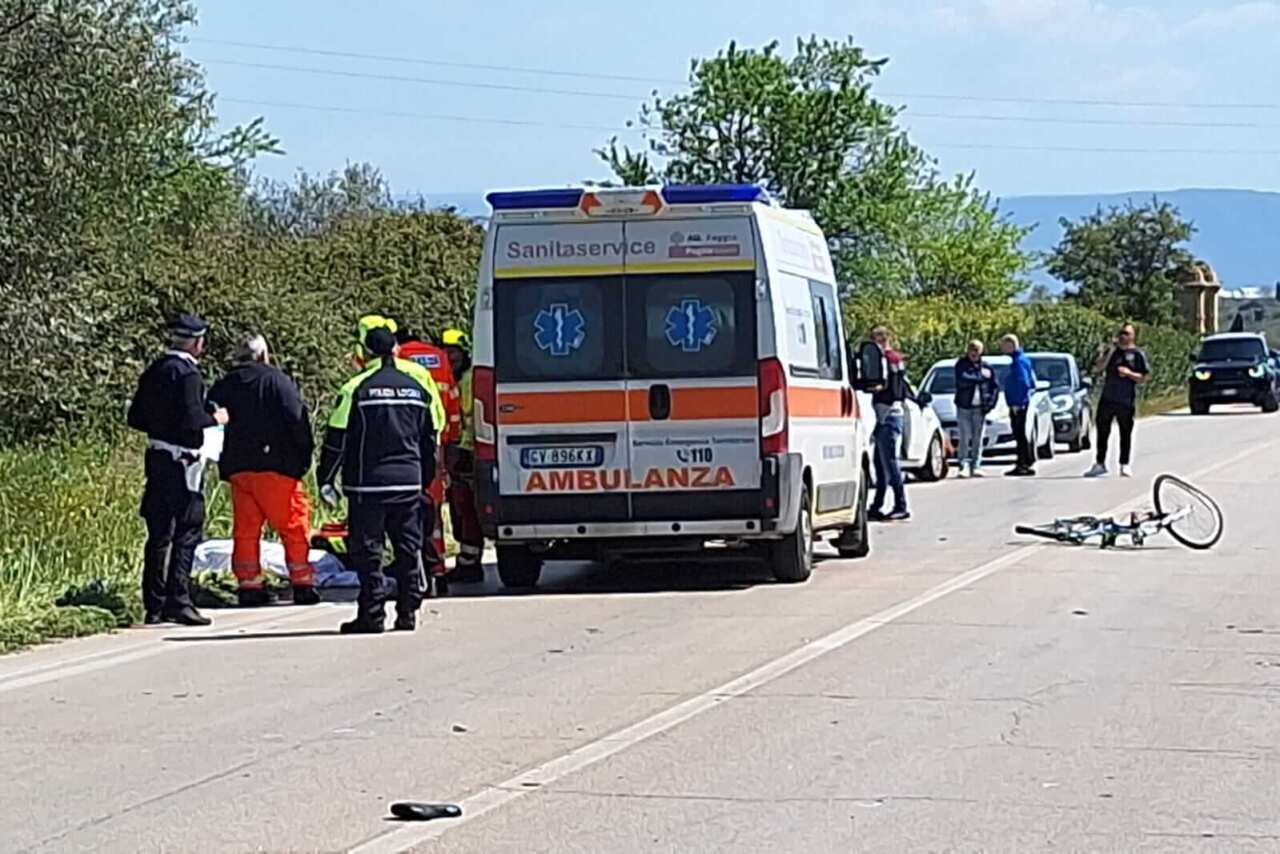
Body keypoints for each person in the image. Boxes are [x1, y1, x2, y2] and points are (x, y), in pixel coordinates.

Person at [317, 317, 441, 634]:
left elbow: (337, 440)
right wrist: (424, 478)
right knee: (407, 547)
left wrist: (325, 480)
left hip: (367, 485)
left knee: (369, 551)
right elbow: (429, 439)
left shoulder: (355, 389)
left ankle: (372, 615)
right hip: (408, 482)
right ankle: (408, 612)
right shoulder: (417, 389)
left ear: (366, 351)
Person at [126, 313, 227, 627]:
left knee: (158, 532)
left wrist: (161, 425)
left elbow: (135, 418)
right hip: (183, 460)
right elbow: (191, 420)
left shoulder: (155, 370)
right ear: (197, 342)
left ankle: (153, 604)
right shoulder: (188, 375)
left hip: (156, 455)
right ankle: (179, 600)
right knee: (187, 529)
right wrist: (216, 419)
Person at [207, 334, 318, 607]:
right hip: (276, 465)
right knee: (292, 524)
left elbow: (210, 417)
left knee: (246, 529)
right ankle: (302, 582)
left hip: (238, 467)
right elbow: (296, 418)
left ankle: (249, 585)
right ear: (263, 354)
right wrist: (303, 456)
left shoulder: (225, 384)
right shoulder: (275, 380)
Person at [395, 328, 460, 592]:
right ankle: (438, 566)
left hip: (401, 444)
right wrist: (452, 439)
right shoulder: (439, 357)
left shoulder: (397, 356)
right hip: (435, 444)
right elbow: (452, 403)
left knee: (404, 509)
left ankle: (412, 567)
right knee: (432, 508)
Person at [441, 327, 486, 581]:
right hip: (456, 450)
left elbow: (468, 417)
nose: (450, 357)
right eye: (445, 352)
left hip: (467, 451)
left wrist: (464, 451)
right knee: (459, 508)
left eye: (454, 352)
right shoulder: (451, 378)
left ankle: (470, 563)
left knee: (466, 508)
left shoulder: (468, 379)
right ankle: (467, 559)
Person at [1085, 323, 1150, 478]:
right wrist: (1109, 352)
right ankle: (1100, 463)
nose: (1123, 336)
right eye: (1121, 333)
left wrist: (1129, 373)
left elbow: (1144, 377)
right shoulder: (1111, 352)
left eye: (1127, 333)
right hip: (1108, 397)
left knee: (1125, 432)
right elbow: (1098, 368)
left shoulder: (1137, 354)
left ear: (1133, 336)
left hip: (1126, 399)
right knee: (1102, 431)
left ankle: (1124, 464)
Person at [867, 326, 910, 522]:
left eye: (877, 338)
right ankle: (877, 504)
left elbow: (893, 387)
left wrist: (877, 390)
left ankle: (901, 505)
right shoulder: (893, 358)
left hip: (889, 414)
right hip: (885, 415)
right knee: (879, 462)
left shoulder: (888, 359)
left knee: (890, 463)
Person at [953, 340, 1000, 478]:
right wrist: (981, 377)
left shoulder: (987, 367)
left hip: (980, 408)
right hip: (964, 406)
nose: (974, 353)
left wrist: (990, 403)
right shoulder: (961, 365)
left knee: (978, 438)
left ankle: (976, 465)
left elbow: (994, 386)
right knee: (964, 436)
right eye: (972, 350)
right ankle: (963, 465)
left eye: (977, 351)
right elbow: (964, 379)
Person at [1000, 334, 1038, 477]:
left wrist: (1018, 402)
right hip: (1019, 402)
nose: (1002, 348)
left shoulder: (1018, 362)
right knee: (1020, 434)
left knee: (1019, 434)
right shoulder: (1022, 360)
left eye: (1004, 345)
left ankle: (1023, 464)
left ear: (1011, 345)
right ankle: (1026, 461)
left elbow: (1023, 382)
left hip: (1018, 403)